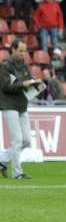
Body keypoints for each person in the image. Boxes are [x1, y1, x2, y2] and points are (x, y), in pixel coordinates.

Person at [0, 40, 40, 179]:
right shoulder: (5, 66)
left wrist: (35, 83)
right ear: (13, 50)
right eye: (21, 50)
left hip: (22, 104)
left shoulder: (24, 65)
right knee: (17, 140)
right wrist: (23, 84)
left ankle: (3, 159)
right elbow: (5, 87)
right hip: (9, 105)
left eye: (25, 50)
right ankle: (17, 173)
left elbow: (27, 81)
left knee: (27, 140)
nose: (24, 53)